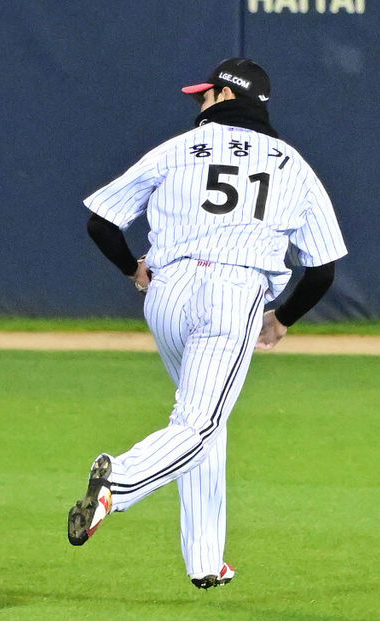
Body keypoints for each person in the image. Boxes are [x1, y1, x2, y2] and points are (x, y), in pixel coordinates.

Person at [69, 57, 347, 589]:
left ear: (225, 96)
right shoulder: (293, 164)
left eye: (205, 94)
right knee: (198, 424)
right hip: (234, 291)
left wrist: (134, 269)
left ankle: (204, 560)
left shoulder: (175, 150)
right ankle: (119, 482)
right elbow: (323, 269)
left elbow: (101, 223)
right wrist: (282, 318)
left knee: (198, 421)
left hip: (167, 292)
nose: (199, 102)